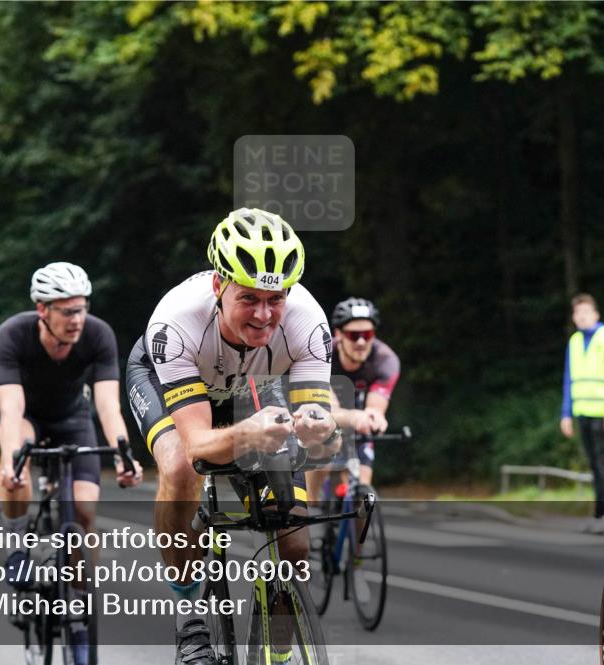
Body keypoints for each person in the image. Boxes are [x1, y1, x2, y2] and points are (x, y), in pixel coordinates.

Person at [125, 208, 341, 665]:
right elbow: (198, 446)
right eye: (249, 298)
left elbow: (322, 433)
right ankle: (189, 614)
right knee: (180, 468)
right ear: (218, 285)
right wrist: (248, 435)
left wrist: (322, 431)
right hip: (173, 382)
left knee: (295, 544)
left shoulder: (308, 323)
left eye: (275, 298)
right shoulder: (176, 322)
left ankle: (278, 655)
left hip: (254, 387)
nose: (264, 315)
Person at [0, 262, 143, 588]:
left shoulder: (98, 334)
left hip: (72, 417)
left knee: (84, 512)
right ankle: (16, 545)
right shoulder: (12, 334)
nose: (77, 320)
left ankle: (80, 602)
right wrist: (10, 460)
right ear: (42, 309)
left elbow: (107, 405)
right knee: (15, 465)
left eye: (82, 309)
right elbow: (11, 407)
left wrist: (123, 454)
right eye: (68, 311)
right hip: (25, 415)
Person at [305, 297, 400, 506]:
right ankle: (310, 505)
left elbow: (375, 407)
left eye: (367, 335)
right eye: (354, 335)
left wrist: (375, 417)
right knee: (321, 448)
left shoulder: (385, 360)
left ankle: (356, 520)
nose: (361, 342)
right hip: (324, 410)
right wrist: (354, 417)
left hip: (357, 412)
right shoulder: (320, 355)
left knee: (362, 499)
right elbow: (328, 410)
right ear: (338, 334)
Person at [559, 294, 604, 533]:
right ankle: (599, 515)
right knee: (594, 465)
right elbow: (569, 379)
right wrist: (566, 414)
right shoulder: (575, 341)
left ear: (596, 314)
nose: (582, 316)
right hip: (582, 412)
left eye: (586, 312)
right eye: (578, 313)